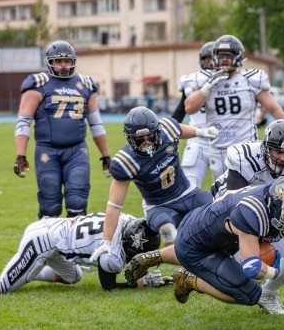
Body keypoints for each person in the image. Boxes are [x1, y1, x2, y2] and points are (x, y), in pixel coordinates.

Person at [128, 119, 284, 315]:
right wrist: (267, 262)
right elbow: (236, 205)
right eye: (279, 151)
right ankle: (185, 274)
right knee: (242, 264)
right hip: (232, 208)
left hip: (269, 212)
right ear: (266, 147)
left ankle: (267, 294)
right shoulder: (246, 157)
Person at [129, 177, 284, 310]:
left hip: (211, 231)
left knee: (240, 275)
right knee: (250, 294)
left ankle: (154, 257)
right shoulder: (254, 211)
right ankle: (189, 280)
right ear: (278, 205)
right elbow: (251, 266)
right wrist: (273, 272)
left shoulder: (273, 203)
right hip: (196, 244)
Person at [89, 106, 218, 266]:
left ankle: (225, 253)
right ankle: (188, 266)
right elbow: (114, 205)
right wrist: (106, 241)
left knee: (218, 208)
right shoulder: (127, 161)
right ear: (130, 139)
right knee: (167, 230)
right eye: (139, 139)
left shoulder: (167, 130)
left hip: (188, 193)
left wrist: (199, 132)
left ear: (158, 131)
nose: (146, 143)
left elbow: (178, 129)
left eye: (149, 136)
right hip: (159, 206)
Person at [13, 40, 111, 219]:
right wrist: (20, 156)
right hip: (47, 150)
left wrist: (106, 155)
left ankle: (74, 246)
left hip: (77, 150)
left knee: (77, 201)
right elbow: (23, 122)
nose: (64, 66)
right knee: (50, 206)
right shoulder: (38, 83)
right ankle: (48, 244)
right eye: (59, 61)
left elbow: (96, 123)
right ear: (50, 62)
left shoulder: (85, 84)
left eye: (67, 61)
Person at [184, 34, 284, 179]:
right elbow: (189, 108)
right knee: (222, 196)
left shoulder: (250, 79)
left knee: (251, 192)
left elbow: (274, 108)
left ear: (238, 56)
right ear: (214, 57)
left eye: (229, 55)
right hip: (218, 149)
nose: (225, 59)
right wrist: (207, 87)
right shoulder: (204, 80)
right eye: (221, 55)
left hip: (246, 147)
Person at [0, 212, 167, 294]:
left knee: (73, 276)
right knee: (2, 288)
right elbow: (109, 287)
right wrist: (142, 283)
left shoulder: (125, 220)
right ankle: (25, 272)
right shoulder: (112, 255)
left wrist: (143, 272)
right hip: (40, 242)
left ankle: (30, 271)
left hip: (53, 231)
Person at [171, 40, 217, 188]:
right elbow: (180, 111)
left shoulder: (232, 80)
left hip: (224, 141)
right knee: (188, 187)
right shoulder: (192, 80)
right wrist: (169, 130)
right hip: (197, 139)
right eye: (207, 58)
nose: (210, 62)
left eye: (213, 58)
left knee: (227, 190)